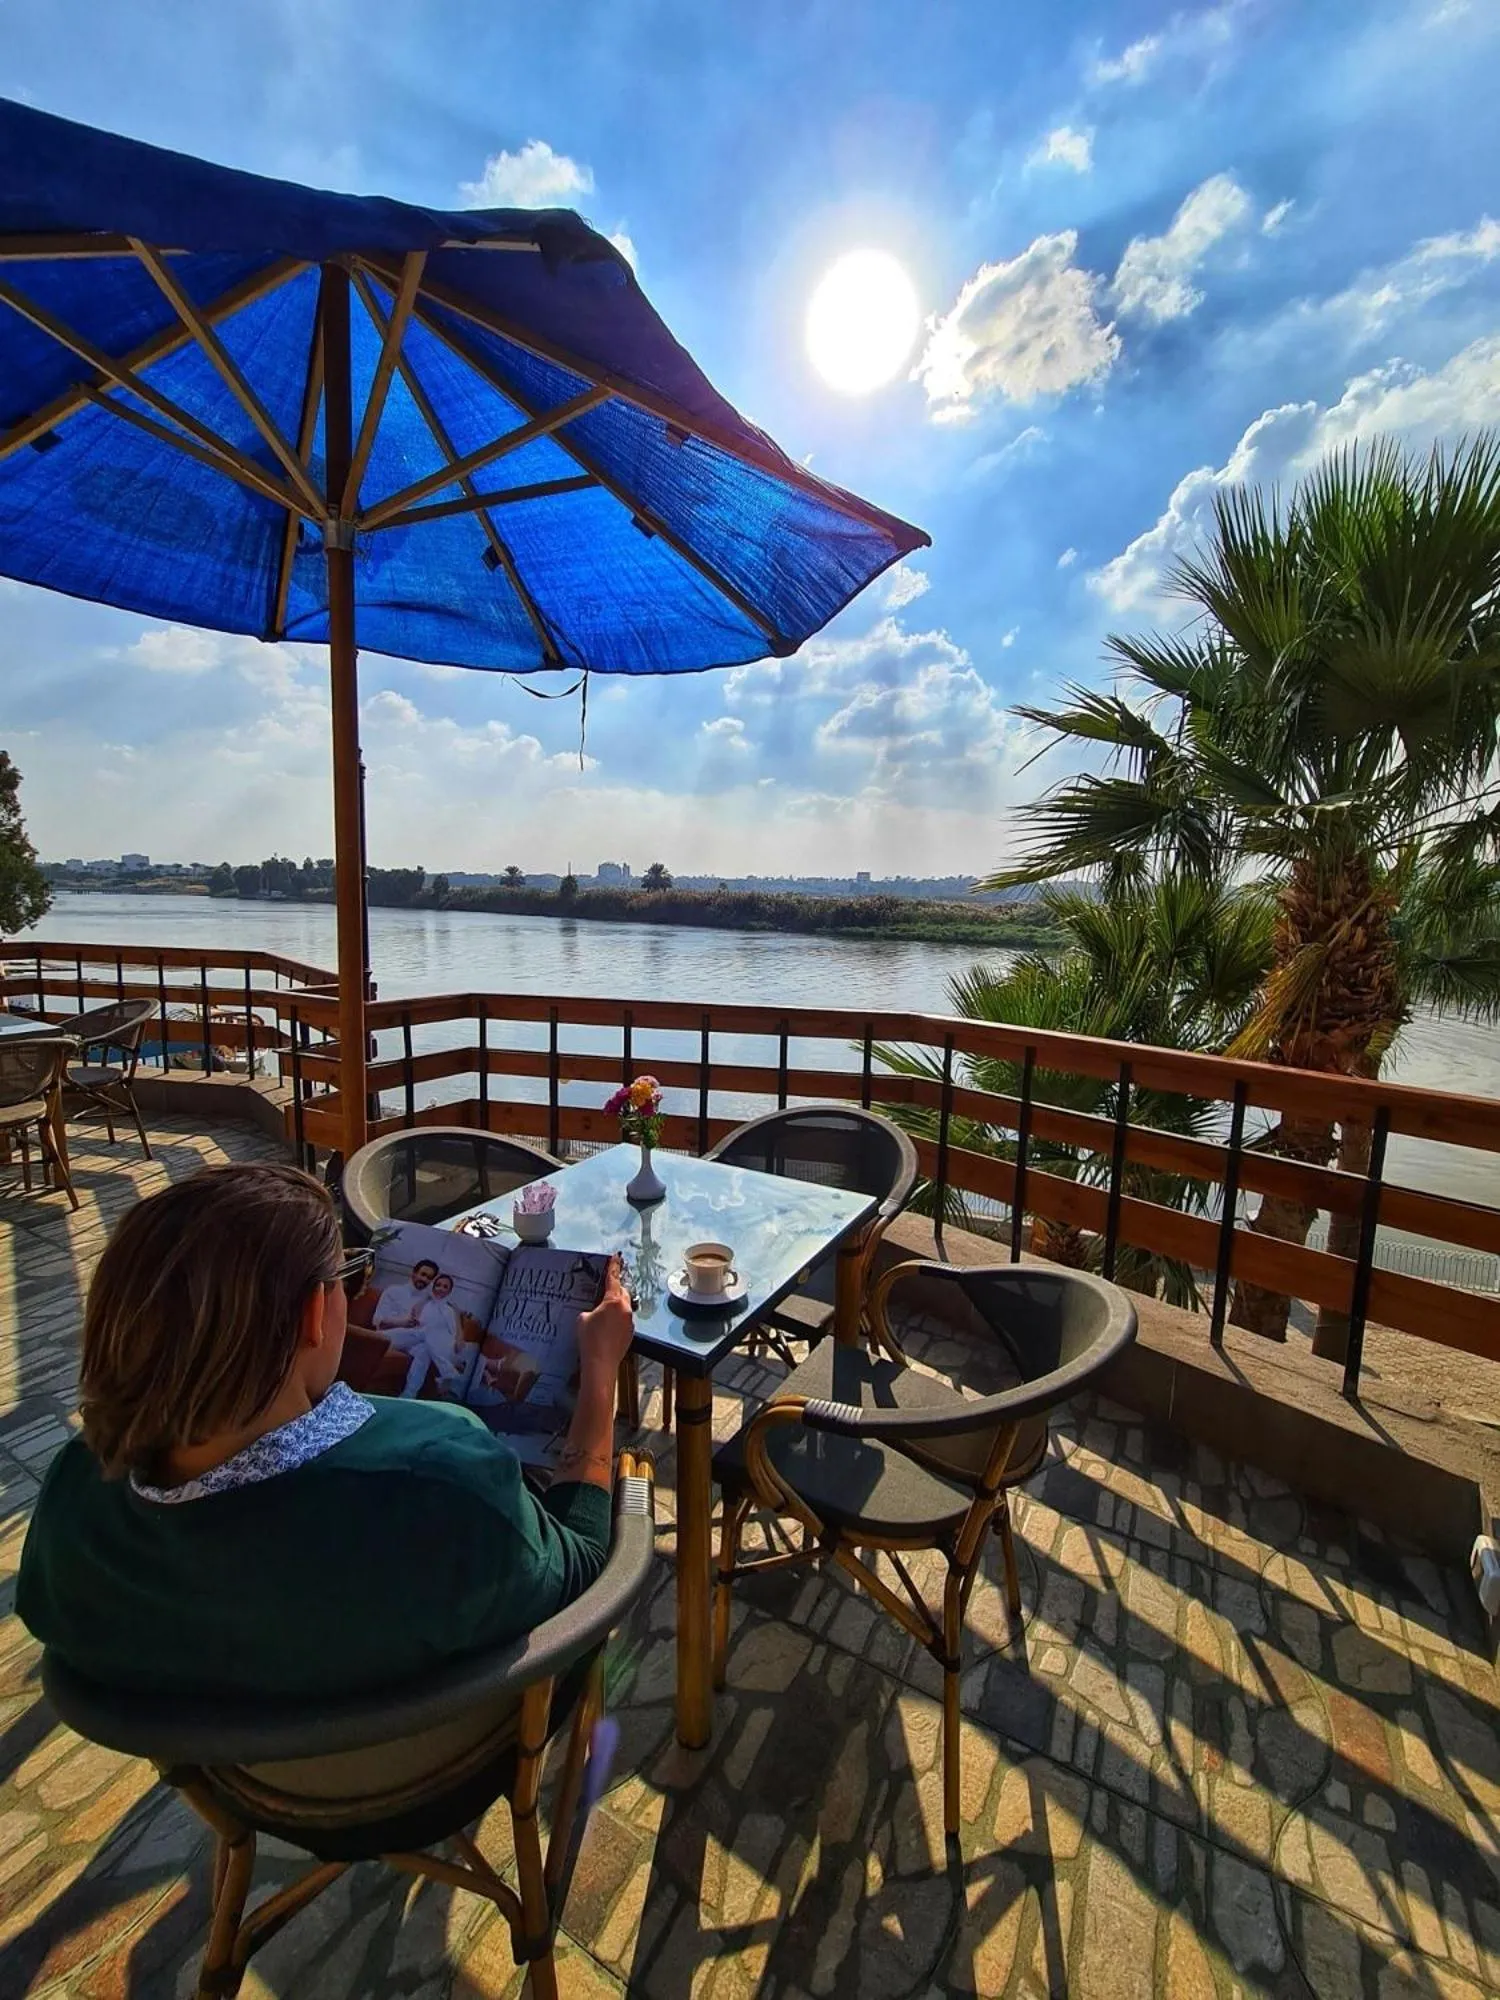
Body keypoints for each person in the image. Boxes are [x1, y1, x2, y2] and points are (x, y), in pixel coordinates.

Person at [17, 1162, 637, 1698]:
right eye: (350, 1276)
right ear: (314, 1311)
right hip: (444, 1767)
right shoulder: (441, 1477)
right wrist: (600, 1371)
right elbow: (582, 1579)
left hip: (229, 1775)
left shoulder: (77, 1496)